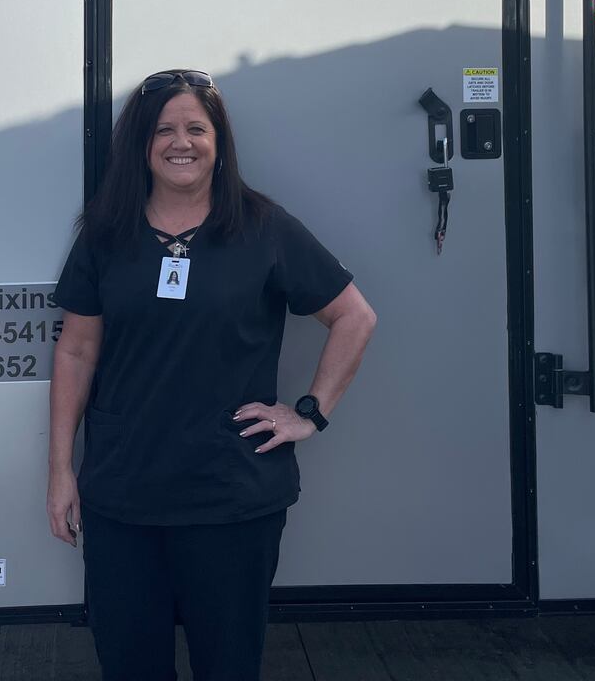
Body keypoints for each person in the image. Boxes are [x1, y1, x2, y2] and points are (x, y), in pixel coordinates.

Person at [46, 69, 377, 681]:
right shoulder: (106, 235)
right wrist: (61, 470)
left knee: (228, 666)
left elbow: (354, 316)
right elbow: (75, 352)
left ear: (218, 141)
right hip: (124, 494)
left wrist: (310, 412)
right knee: (129, 666)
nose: (182, 142)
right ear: (141, 144)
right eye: (164, 129)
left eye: (197, 128)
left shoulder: (263, 228)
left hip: (233, 496)